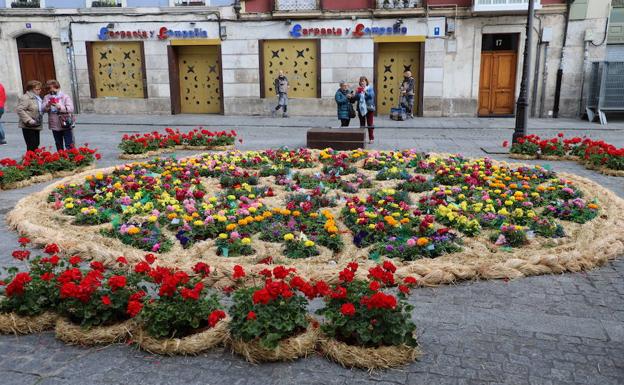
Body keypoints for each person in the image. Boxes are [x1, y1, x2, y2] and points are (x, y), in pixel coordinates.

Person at [43, 79, 75, 151]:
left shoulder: (65, 96)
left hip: (65, 123)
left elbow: (71, 109)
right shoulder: (46, 97)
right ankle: (61, 159)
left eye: (54, 88)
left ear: (58, 87)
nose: (52, 91)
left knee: (69, 143)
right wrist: (47, 105)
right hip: (54, 124)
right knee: (58, 143)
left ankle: (72, 159)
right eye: (49, 89)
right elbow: (43, 110)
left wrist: (60, 107)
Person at [16, 80, 44, 152]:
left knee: (36, 144)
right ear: (30, 89)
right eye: (37, 89)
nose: (39, 91)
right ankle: (30, 162)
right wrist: (29, 120)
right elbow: (20, 109)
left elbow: (39, 109)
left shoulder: (37, 97)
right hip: (28, 125)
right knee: (31, 145)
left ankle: (34, 161)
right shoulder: (25, 98)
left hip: (36, 123)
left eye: (40, 89)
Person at [355, 76, 376, 143]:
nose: (362, 82)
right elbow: (356, 97)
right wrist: (358, 93)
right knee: (362, 124)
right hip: (361, 108)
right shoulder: (358, 89)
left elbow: (371, 96)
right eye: (361, 81)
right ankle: (362, 138)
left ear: (366, 82)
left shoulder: (370, 88)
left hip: (369, 108)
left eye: (363, 81)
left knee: (370, 124)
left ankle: (371, 138)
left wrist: (365, 91)